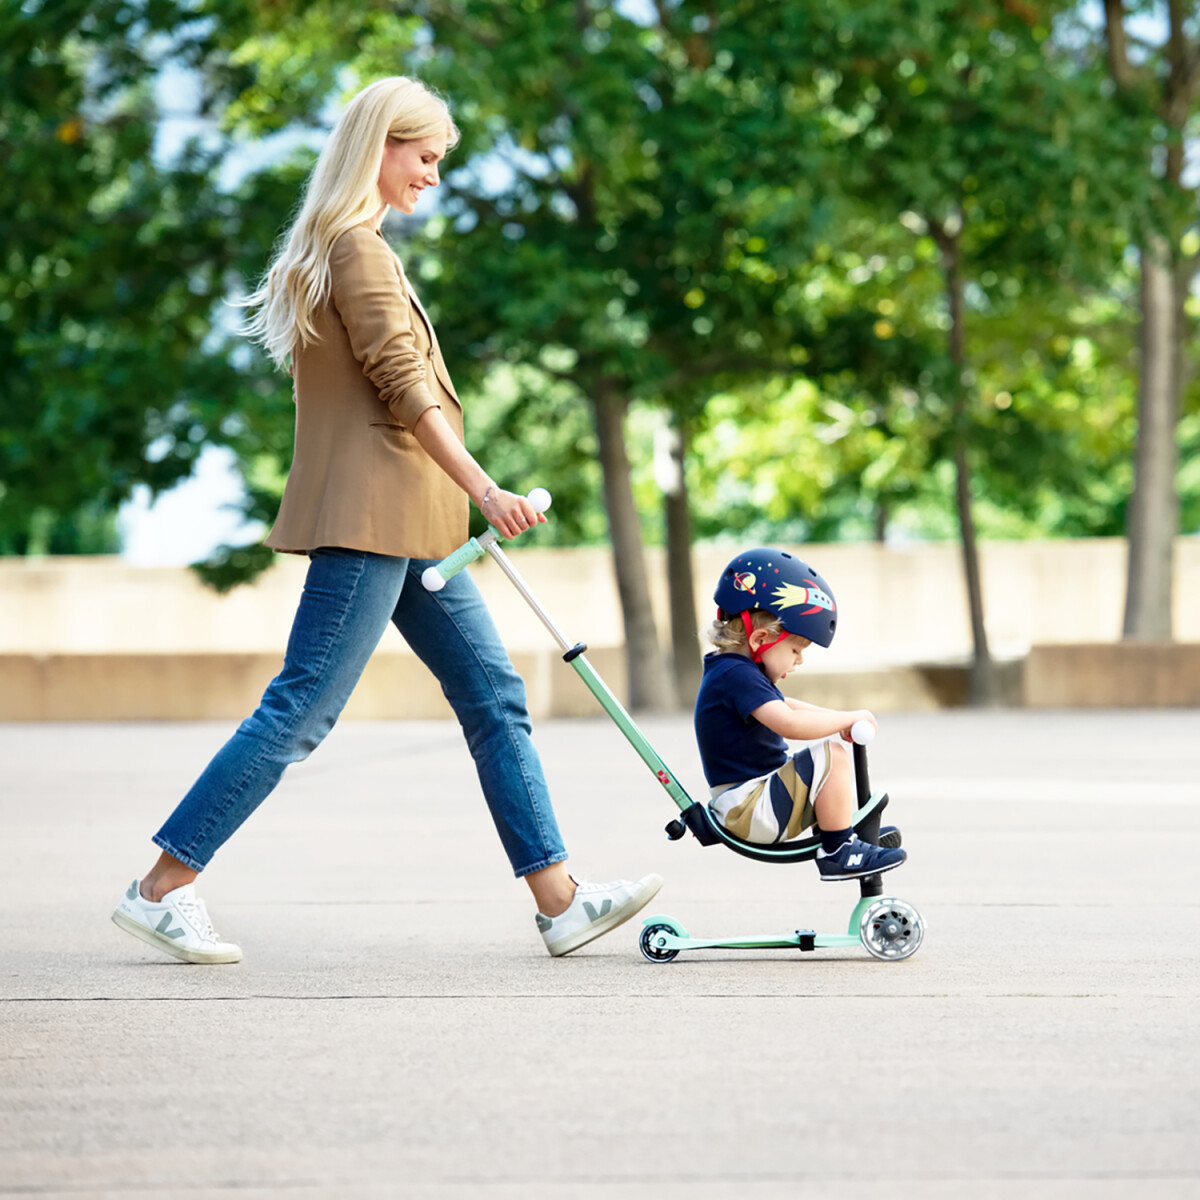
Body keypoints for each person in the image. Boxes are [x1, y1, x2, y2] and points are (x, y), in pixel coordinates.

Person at [111, 76, 661, 965]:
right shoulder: (357, 251)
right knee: (302, 709)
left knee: (494, 697)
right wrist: (486, 489)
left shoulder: (345, 248)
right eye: (427, 157)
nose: (434, 177)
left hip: (412, 526)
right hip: (374, 519)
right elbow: (404, 389)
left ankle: (559, 902)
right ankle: (160, 889)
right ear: (381, 147)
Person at [693, 547, 906, 880]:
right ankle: (838, 850)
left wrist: (843, 717)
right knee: (831, 755)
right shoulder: (735, 675)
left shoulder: (735, 672)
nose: (799, 661)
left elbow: (788, 706)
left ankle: (841, 834)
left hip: (752, 803)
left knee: (826, 756)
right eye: (795, 650)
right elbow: (789, 723)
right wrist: (844, 722)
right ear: (760, 638)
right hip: (747, 809)